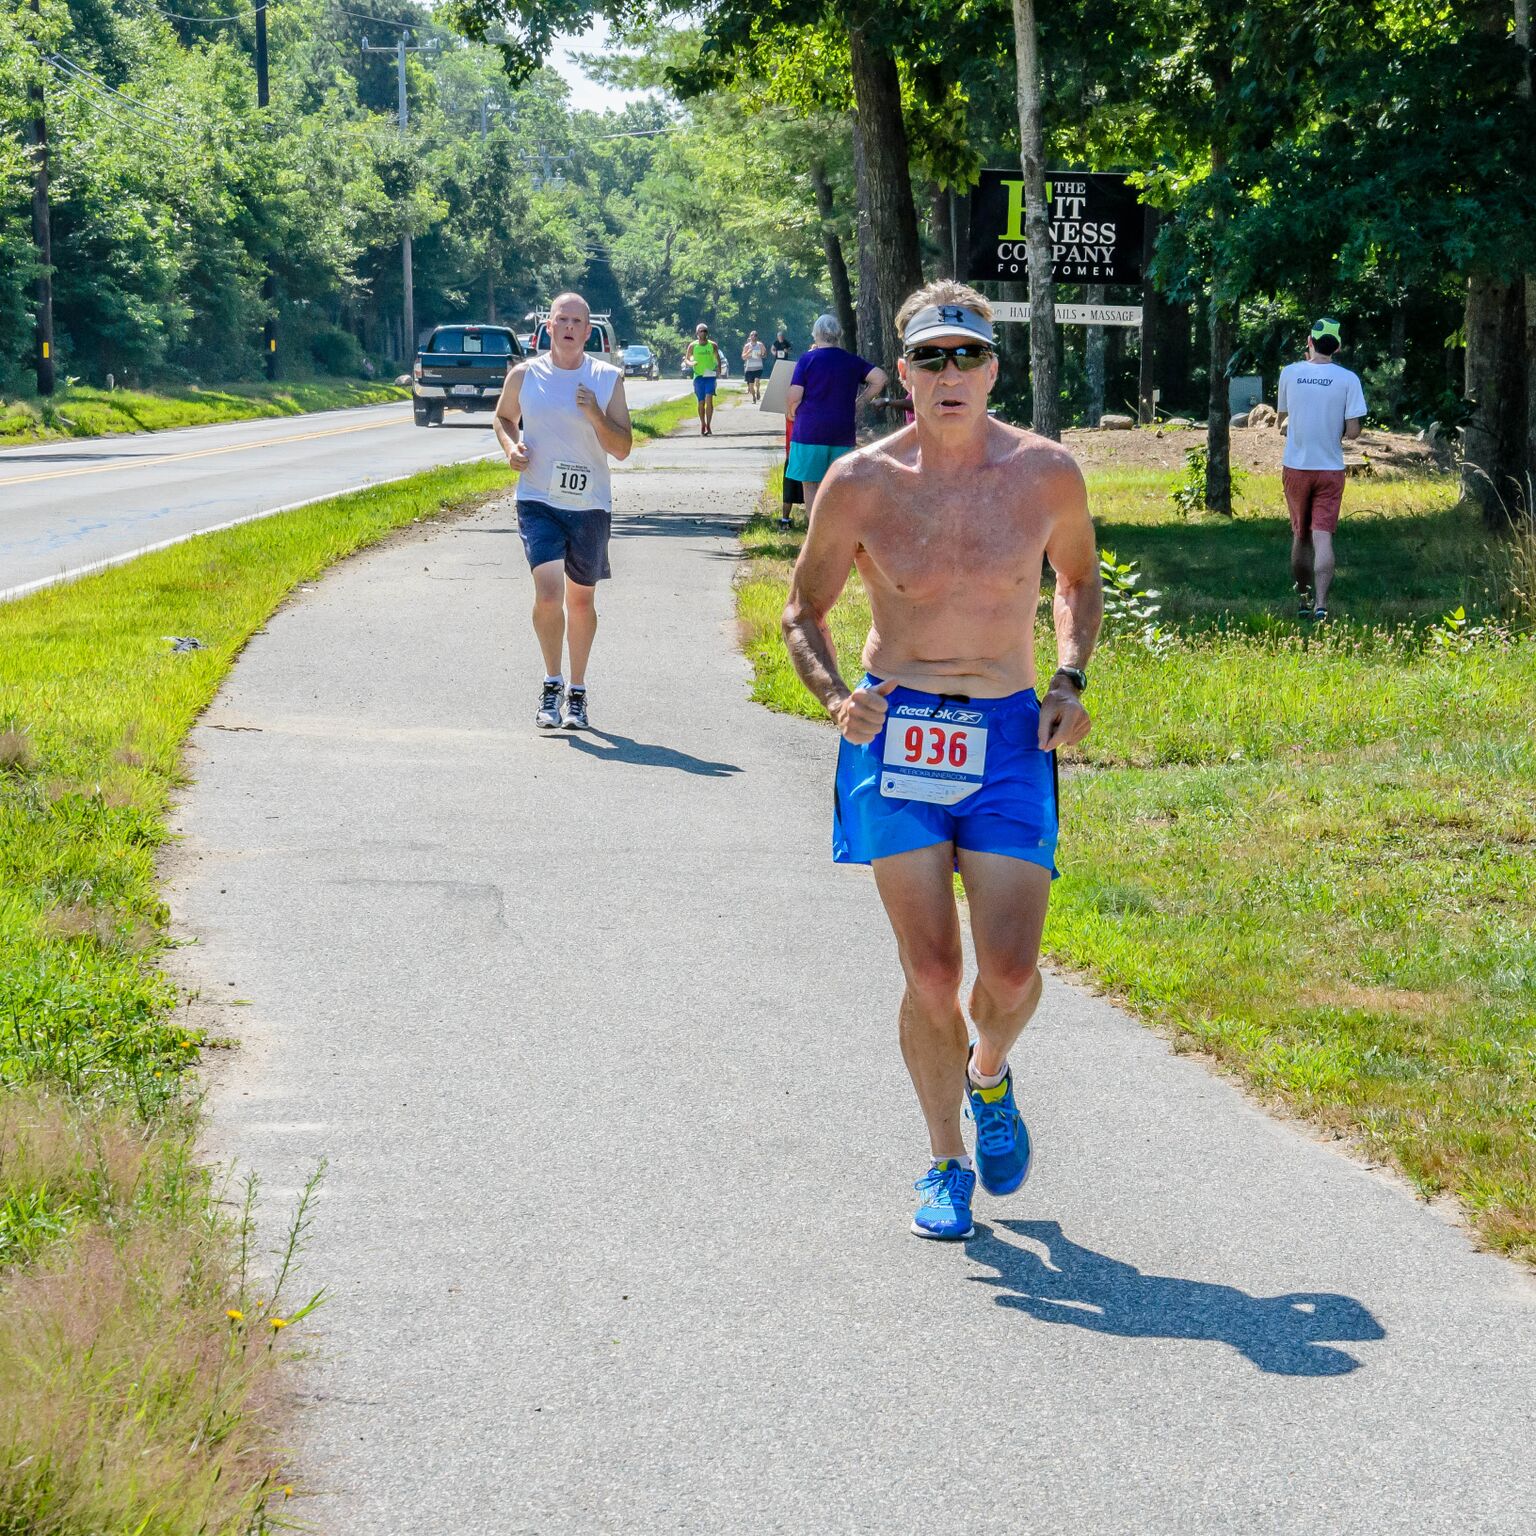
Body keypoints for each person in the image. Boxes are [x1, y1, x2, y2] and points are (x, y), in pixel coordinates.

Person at [780, 280, 1103, 1242]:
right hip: (896, 730)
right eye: (931, 357)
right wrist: (840, 700)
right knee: (931, 974)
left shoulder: (1048, 474)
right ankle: (943, 1162)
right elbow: (802, 611)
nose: (951, 372)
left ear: (996, 367)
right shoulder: (860, 483)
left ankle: (989, 1075)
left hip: (1007, 730)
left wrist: (1071, 681)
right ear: (904, 374)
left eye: (969, 355)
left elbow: (1078, 582)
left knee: (1006, 975)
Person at [494, 292, 632, 732]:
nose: (570, 327)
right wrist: (511, 446)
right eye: (562, 320)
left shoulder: (607, 378)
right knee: (550, 594)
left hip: (589, 503)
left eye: (578, 321)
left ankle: (577, 690)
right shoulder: (524, 375)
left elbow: (623, 448)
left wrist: (594, 413)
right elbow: (502, 417)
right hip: (537, 498)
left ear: (589, 331)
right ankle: (551, 682)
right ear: (548, 327)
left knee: (581, 599)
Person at [1277, 318, 1367, 623]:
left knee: (1300, 536)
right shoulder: (1348, 379)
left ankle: (1302, 599)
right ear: (1338, 347)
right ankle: (1321, 604)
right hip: (1330, 469)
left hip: (1296, 468)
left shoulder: (1290, 373)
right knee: (1322, 536)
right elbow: (1353, 432)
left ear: (1309, 342)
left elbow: (1281, 422)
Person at [784, 314, 887, 513]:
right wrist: (861, 402)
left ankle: (816, 535)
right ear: (838, 334)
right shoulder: (851, 361)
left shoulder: (807, 359)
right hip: (842, 431)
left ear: (816, 335)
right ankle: (838, 535)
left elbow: (795, 395)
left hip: (809, 431)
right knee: (838, 485)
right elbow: (880, 378)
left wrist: (791, 411)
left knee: (811, 485)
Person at [683, 323, 722, 436]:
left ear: (707, 332)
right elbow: (687, 359)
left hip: (710, 375)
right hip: (698, 376)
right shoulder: (693, 345)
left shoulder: (712, 345)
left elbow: (717, 357)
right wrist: (691, 363)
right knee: (701, 402)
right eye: (701, 331)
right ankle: (702, 423)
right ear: (697, 333)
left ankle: (709, 425)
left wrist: (719, 370)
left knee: (709, 398)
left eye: (705, 331)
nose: (703, 333)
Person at [741, 330, 768, 403]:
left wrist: (761, 355)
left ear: (757, 336)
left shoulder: (760, 345)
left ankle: (758, 390)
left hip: (758, 367)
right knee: (751, 386)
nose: (754, 336)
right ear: (750, 336)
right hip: (749, 368)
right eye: (752, 335)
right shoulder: (747, 346)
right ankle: (753, 397)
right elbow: (743, 357)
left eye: (755, 335)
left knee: (757, 381)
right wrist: (748, 352)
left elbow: (765, 355)